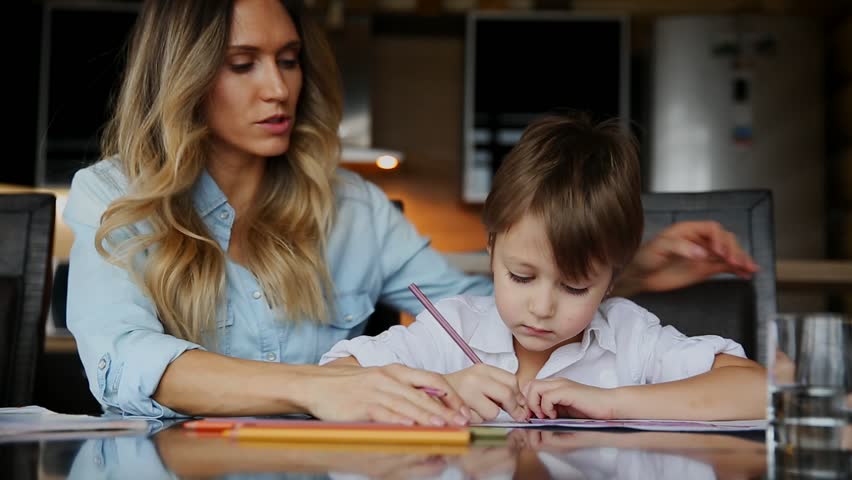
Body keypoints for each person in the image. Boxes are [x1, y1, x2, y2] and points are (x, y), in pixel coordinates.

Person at [64, 0, 758, 424]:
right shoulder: (111, 194)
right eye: (242, 64)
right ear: (182, 75)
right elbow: (123, 360)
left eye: (289, 58)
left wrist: (620, 270)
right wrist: (324, 390)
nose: (279, 88)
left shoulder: (355, 209)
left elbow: (489, 313)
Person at [321, 115, 766, 423]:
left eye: (575, 286)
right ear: (492, 247)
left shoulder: (629, 337)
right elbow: (334, 379)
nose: (541, 307)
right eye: (521, 276)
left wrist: (612, 403)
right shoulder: (450, 328)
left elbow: (760, 391)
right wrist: (443, 388)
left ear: (613, 278)